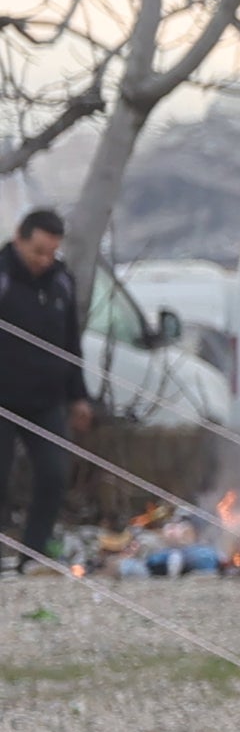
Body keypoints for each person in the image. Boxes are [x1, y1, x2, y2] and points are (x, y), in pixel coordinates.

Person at [0, 209, 89, 563]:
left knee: (54, 474)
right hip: (2, 398)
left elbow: (71, 342)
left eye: (51, 252)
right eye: (37, 251)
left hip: (47, 400)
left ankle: (33, 554)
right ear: (19, 239)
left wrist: (79, 396)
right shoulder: (4, 275)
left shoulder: (61, 281)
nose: (44, 260)